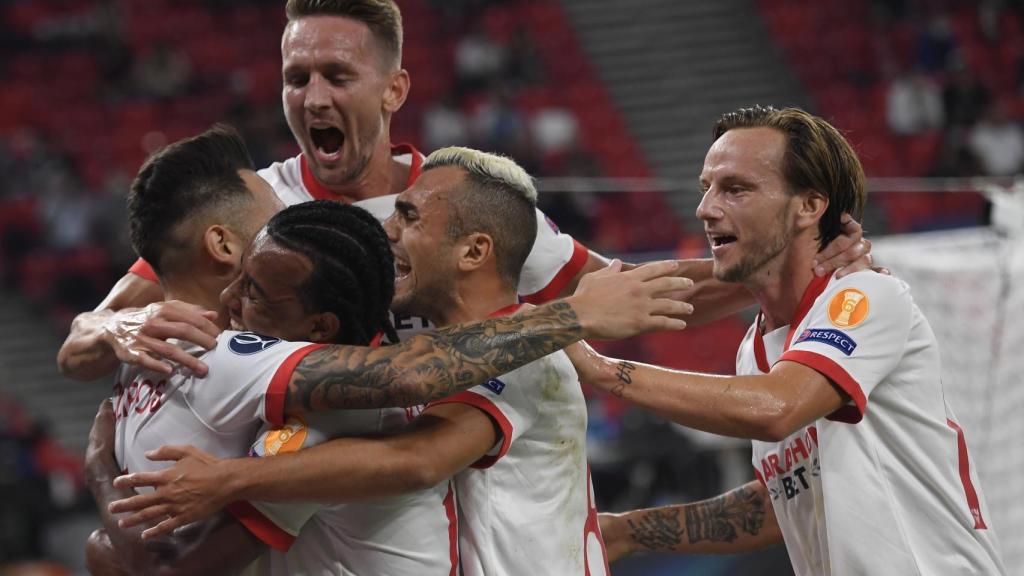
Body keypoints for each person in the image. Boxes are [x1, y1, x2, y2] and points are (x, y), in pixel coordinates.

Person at [56, 0, 872, 381]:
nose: (311, 98)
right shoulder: (255, 207)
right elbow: (89, 333)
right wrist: (114, 329)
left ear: (394, 89)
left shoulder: (463, 205)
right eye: (294, 77)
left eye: (337, 75)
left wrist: (784, 263)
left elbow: (644, 297)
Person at [82, 126, 694, 574]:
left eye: (406, 216)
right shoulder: (299, 398)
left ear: (474, 252)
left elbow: (418, 457)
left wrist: (218, 480)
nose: (387, 229)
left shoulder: (522, 351)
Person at [574, 106, 1006, 574]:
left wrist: (600, 369)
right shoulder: (755, 348)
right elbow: (780, 499)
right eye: (707, 189)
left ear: (809, 206)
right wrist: (625, 531)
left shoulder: (864, 296)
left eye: (735, 189)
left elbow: (778, 407)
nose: (705, 209)